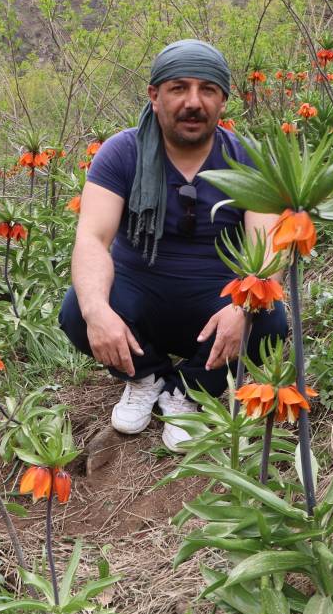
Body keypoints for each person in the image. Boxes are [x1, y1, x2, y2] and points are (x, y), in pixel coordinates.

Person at [58, 39, 288, 453]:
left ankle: (191, 391)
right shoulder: (121, 153)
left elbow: (269, 244)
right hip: (139, 294)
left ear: (223, 101)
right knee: (78, 308)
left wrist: (243, 309)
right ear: (155, 95)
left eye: (207, 90)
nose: (193, 102)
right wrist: (97, 312)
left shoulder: (246, 157)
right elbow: (92, 238)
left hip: (215, 302)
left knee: (269, 320)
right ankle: (147, 376)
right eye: (178, 88)